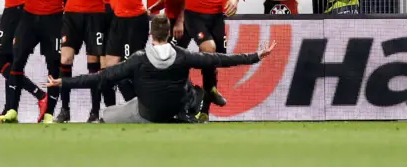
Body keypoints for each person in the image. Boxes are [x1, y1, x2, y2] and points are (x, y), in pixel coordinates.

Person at [46, 15, 275, 123]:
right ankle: (185, 113)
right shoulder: (184, 55)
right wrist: (255, 56)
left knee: (108, 115)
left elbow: (100, 77)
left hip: (147, 113)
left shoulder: (138, 58)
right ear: (168, 33)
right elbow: (221, 59)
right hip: (176, 108)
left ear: (150, 34)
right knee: (196, 90)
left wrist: (62, 82)